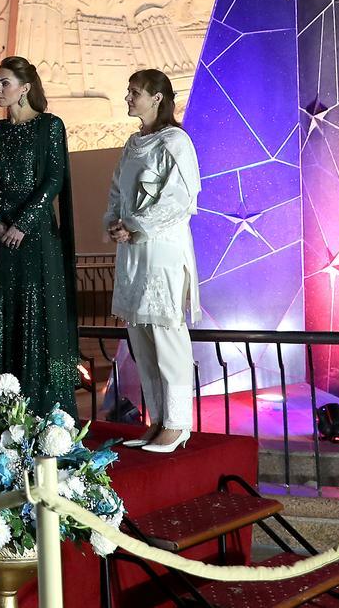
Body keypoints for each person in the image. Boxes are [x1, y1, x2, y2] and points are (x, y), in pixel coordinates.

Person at [106, 68, 202, 453]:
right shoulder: (133, 144)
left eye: (135, 92)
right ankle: (158, 418)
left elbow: (181, 199)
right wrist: (115, 223)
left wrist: (135, 225)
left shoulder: (175, 141)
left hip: (162, 253)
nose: (128, 98)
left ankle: (179, 423)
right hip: (133, 254)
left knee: (167, 336)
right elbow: (117, 190)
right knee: (141, 337)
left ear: (157, 98)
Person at [0, 55, 81, 419]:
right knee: (10, 312)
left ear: (25, 88)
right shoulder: (0, 130)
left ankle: (51, 407)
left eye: (4, 83)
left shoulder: (50, 126)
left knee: (44, 313)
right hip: (6, 239)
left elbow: (53, 180)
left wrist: (23, 224)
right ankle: (10, 405)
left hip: (37, 236)